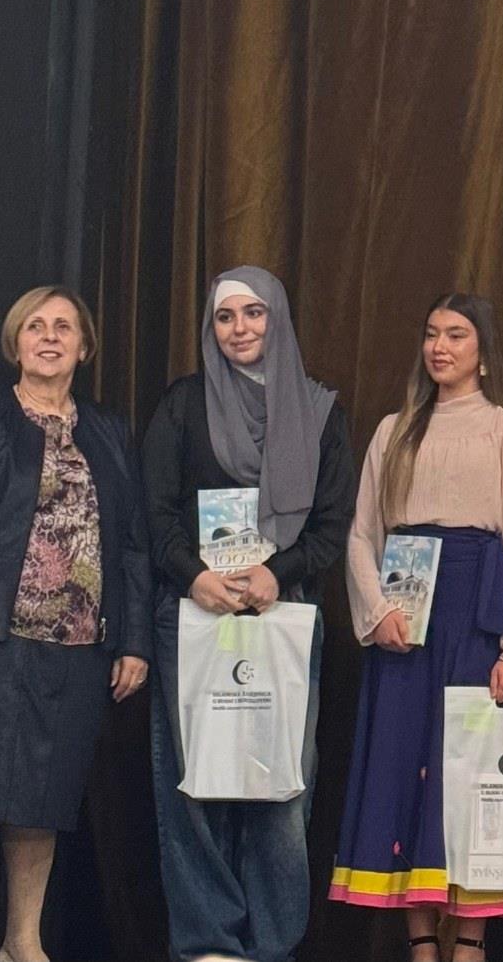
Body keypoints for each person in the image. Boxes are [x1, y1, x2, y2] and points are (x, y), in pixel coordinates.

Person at [0, 286, 150, 962]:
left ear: (84, 346)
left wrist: (134, 641)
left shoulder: (109, 432)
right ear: (15, 343)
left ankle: (23, 940)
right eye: (35, 326)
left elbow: (133, 545)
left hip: (77, 646)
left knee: (43, 797)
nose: (49, 337)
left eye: (63, 326)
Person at [141, 267, 355, 962]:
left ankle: (270, 944)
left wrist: (275, 574)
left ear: (277, 318)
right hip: (194, 612)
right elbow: (155, 511)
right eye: (225, 317)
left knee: (279, 784)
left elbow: (332, 524)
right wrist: (195, 577)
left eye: (254, 313)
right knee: (193, 781)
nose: (240, 329)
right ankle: (209, 943)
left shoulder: (321, 411)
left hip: (283, 613)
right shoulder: (184, 403)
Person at [332, 293, 503, 962]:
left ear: (483, 352)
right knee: (406, 771)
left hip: (474, 623)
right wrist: (378, 611)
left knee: (468, 774)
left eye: (456, 335)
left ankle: (470, 943)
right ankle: (422, 942)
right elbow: (362, 534)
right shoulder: (394, 430)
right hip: (405, 624)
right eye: (432, 333)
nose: (440, 347)